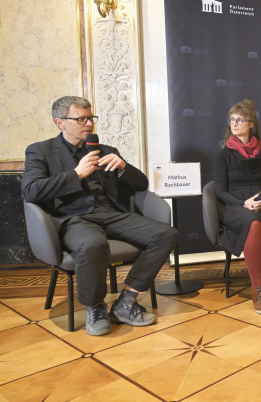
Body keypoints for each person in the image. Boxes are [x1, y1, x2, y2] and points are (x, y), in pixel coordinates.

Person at [22, 96, 177, 336]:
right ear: (60, 122)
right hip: (74, 218)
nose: (88, 124)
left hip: (112, 214)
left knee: (166, 234)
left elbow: (142, 184)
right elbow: (30, 191)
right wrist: (76, 174)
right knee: (93, 244)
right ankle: (94, 307)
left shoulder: (106, 150)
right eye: (80, 119)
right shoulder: (41, 151)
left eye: (90, 118)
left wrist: (124, 167)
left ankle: (126, 301)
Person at [214, 100, 261, 315]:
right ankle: (257, 290)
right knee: (253, 223)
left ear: (250, 124)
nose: (234, 124)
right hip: (234, 203)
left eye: (239, 120)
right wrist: (243, 203)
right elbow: (219, 190)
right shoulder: (224, 154)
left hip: (260, 199)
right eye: (232, 120)